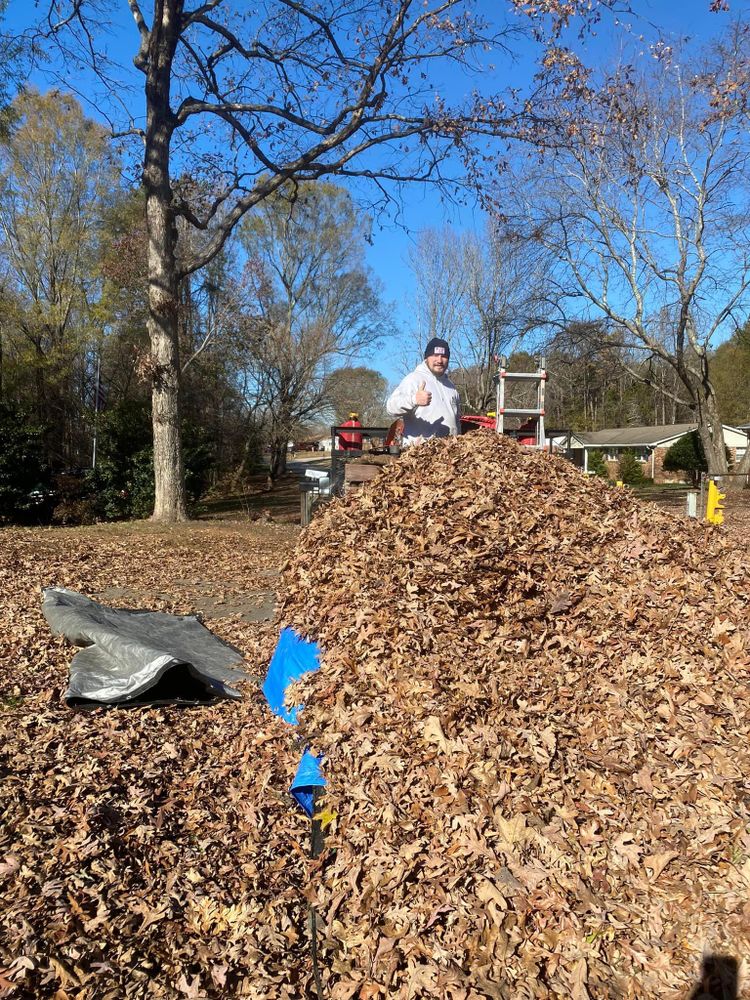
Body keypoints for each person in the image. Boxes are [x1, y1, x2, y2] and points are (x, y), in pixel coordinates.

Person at [386, 338, 461, 447]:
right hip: (420, 455)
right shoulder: (414, 379)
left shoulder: (451, 387)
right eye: (435, 355)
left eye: (444, 356)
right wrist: (414, 400)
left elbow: (457, 422)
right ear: (426, 358)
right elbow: (390, 407)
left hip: (449, 454)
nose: (439, 360)